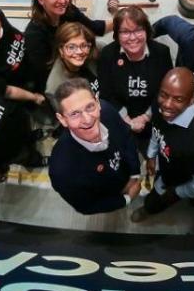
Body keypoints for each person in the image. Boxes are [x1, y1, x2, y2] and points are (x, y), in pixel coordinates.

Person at [133, 67, 194, 221]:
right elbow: (157, 129)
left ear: (192, 98)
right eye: (164, 95)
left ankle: (148, 210)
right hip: (165, 166)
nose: (167, 105)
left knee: (156, 202)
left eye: (178, 99)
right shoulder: (159, 104)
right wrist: (151, 155)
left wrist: (178, 192)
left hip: (179, 181)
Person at [48, 78, 141, 215]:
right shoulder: (62, 171)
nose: (87, 119)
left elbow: (127, 137)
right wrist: (125, 199)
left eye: (90, 107)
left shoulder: (108, 111)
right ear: (62, 119)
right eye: (74, 114)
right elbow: (86, 206)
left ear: (97, 102)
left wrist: (135, 173)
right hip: (109, 193)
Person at [97, 6, 174, 150]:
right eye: (125, 32)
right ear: (116, 34)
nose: (132, 37)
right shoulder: (107, 54)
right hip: (120, 118)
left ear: (147, 30)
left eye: (138, 30)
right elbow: (106, 94)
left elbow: (165, 91)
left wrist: (145, 117)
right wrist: (127, 120)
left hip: (154, 117)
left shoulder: (161, 52)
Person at [24, 0, 111, 87]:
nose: (62, 0)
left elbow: (95, 28)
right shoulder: (34, 35)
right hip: (62, 80)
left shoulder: (69, 11)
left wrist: (124, 17)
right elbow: (45, 77)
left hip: (76, 65)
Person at [45, 22, 100, 101]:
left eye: (83, 45)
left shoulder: (92, 51)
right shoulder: (55, 87)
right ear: (61, 50)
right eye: (71, 47)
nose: (79, 51)